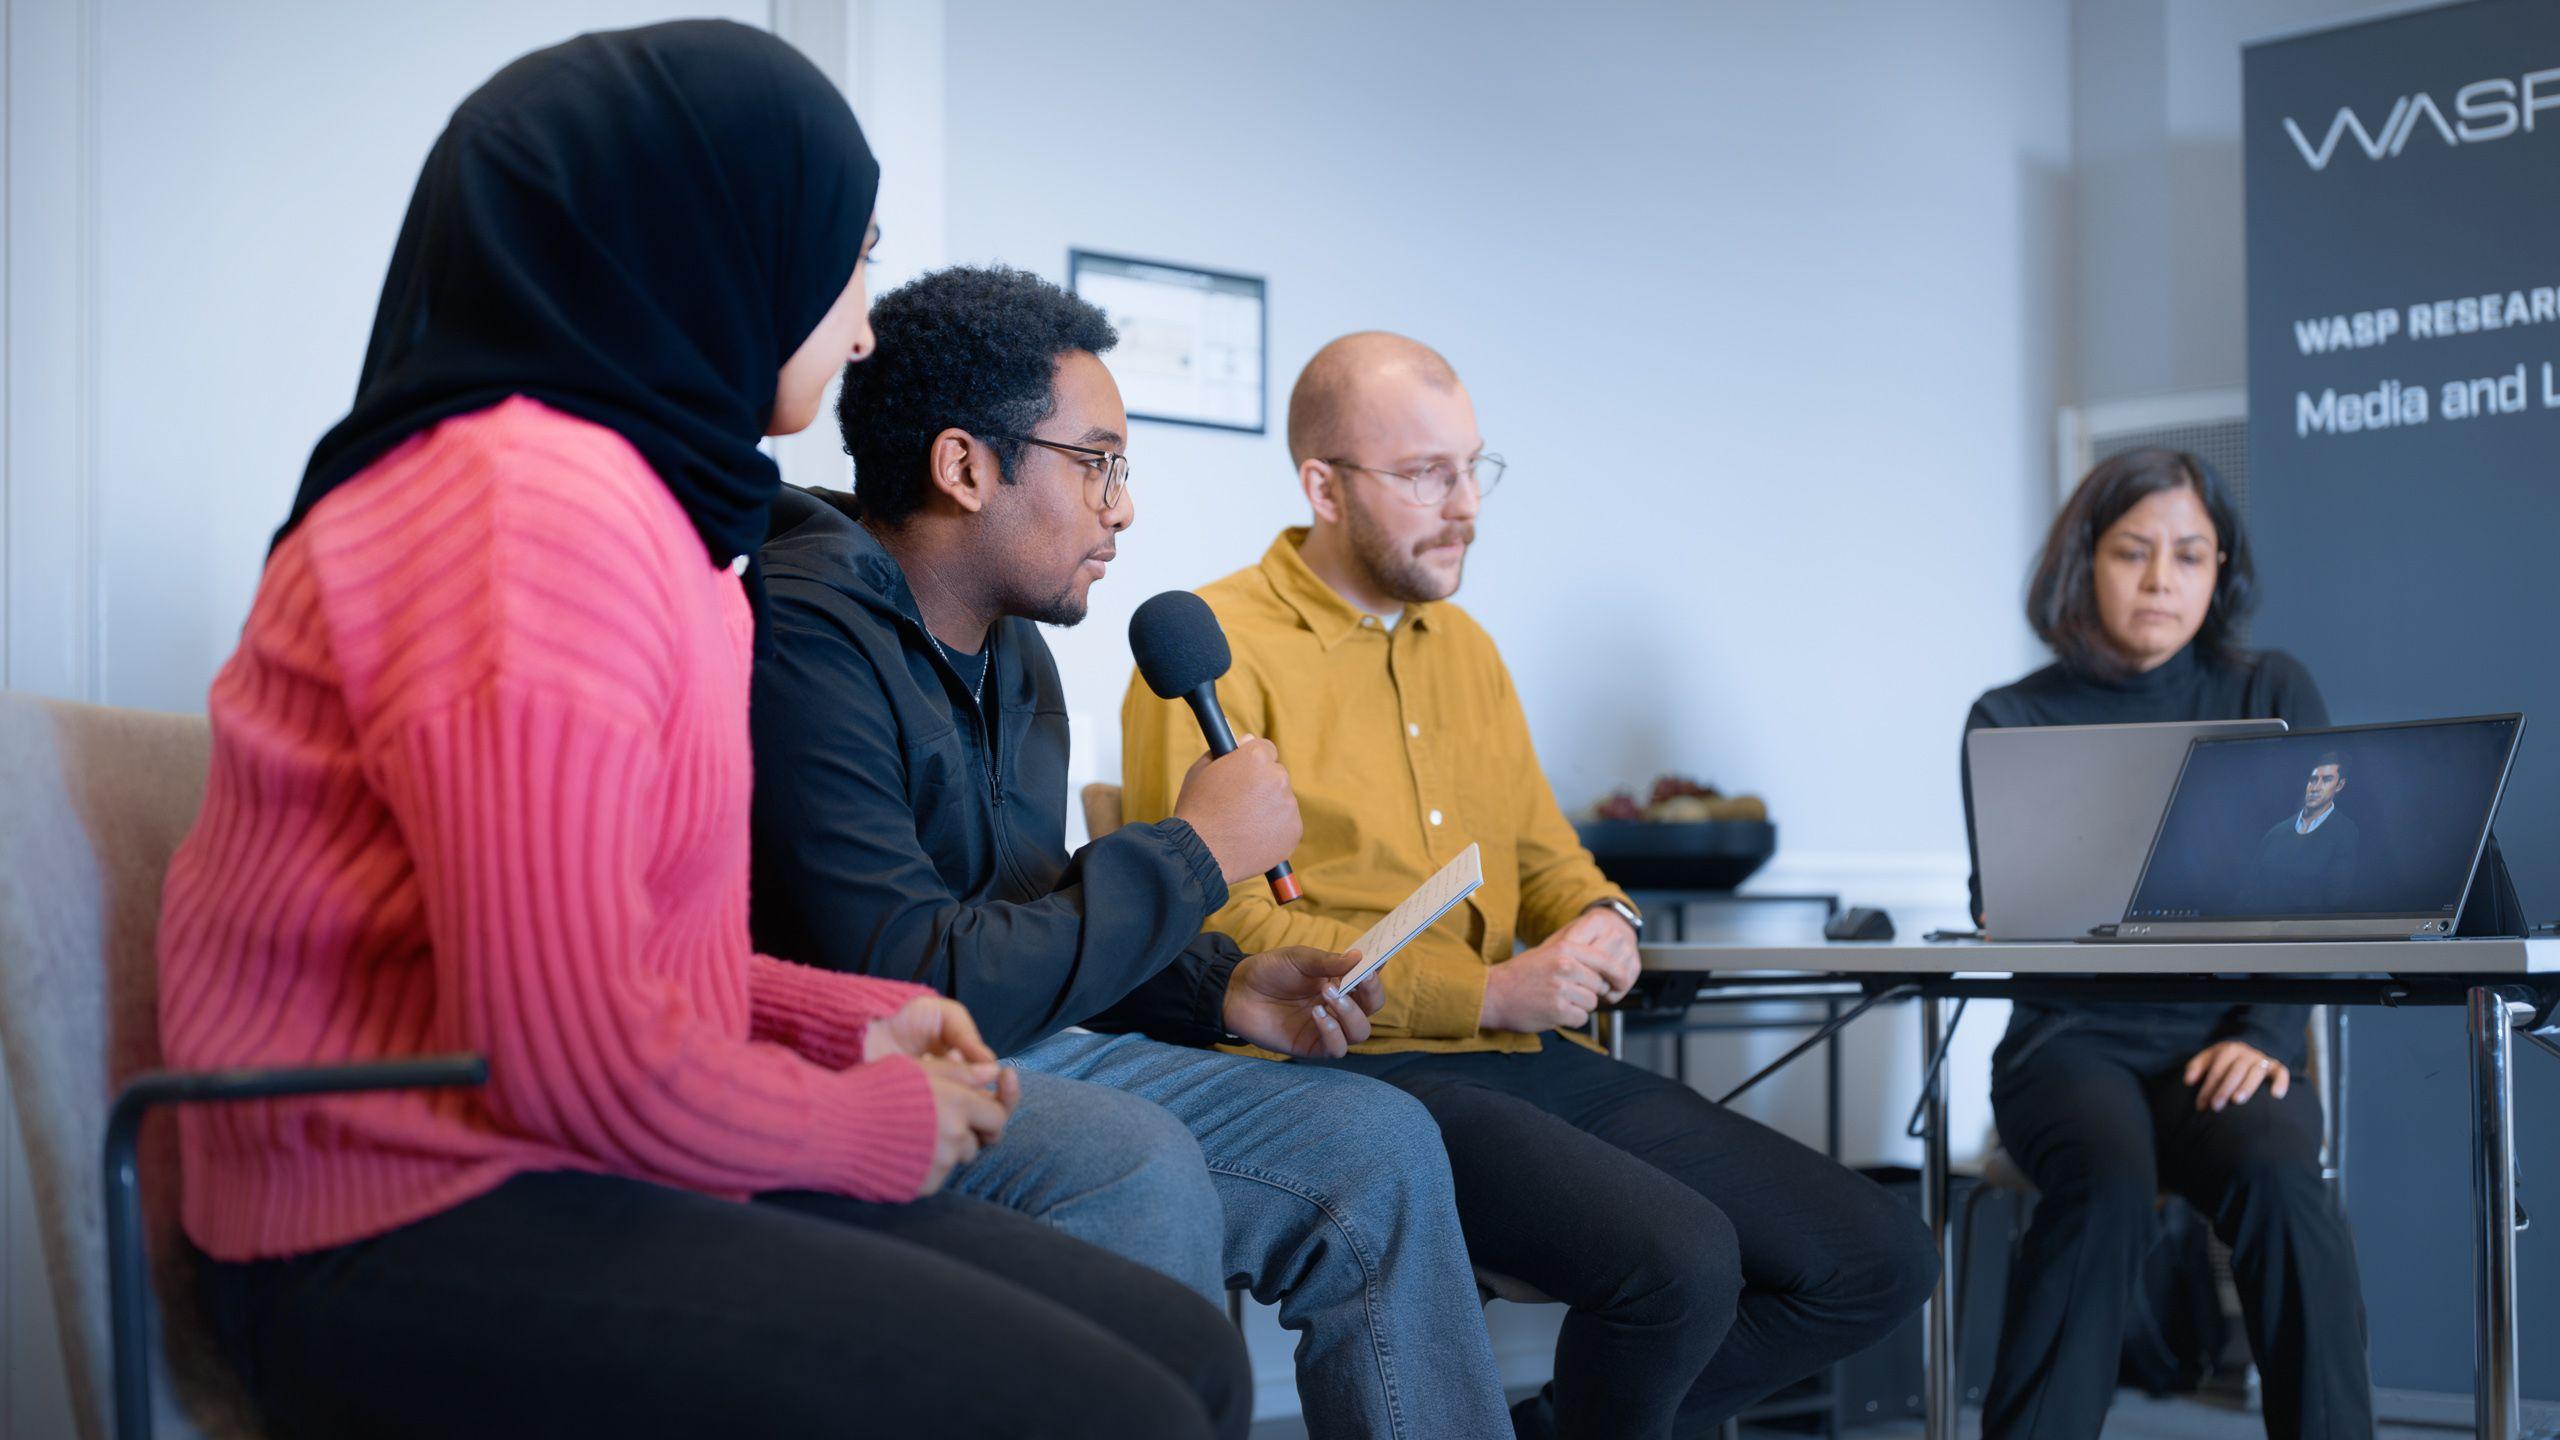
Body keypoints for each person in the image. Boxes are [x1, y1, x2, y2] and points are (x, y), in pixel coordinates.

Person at [157, 26, 1246, 1438]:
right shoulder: (524, 510)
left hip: (545, 1159)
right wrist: (879, 1124)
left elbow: (600, 961)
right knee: (1127, 1407)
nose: (860, 327)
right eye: (846, 260)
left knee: (1184, 1354)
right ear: (706, 241)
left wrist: (837, 1017)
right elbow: (578, 1061)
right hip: (384, 1216)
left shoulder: (663, 533)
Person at [1121, 331, 1940, 1439]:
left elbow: (1547, 857)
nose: (1463, 504)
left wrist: (1601, 915)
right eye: (1423, 474)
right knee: (1679, 1263)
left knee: (1876, 1258)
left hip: (1526, 1058)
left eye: (1472, 467)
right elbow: (1218, 932)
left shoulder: (1467, 650)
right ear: (1322, 485)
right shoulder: (1213, 656)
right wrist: (1485, 994)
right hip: (1358, 1074)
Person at [748, 266, 1513, 1439]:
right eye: (1096, 462)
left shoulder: (1016, 654)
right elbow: (909, 968)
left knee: (1376, 1140)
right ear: (965, 467)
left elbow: (1021, 907)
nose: (1124, 507)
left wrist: (1223, 984)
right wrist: (1197, 851)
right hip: (870, 1062)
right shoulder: (804, 638)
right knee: (1133, 1157)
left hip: (1017, 1038)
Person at [1960, 448, 2371, 1438]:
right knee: (2102, 1183)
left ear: (2218, 569)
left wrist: (2267, 1034)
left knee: (2278, 1172)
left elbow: (2318, 896)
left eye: (2190, 555)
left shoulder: (2269, 690)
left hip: (2229, 1037)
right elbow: (2003, 908)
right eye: (2133, 552)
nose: (2161, 580)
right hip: (2068, 1043)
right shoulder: (2011, 717)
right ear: (2082, 563)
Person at [2240, 752, 2360, 913]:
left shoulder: (2346, 831)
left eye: (2326, 780)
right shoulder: (2276, 832)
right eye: (2313, 779)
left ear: (2339, 785)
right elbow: (2249, 891)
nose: (2316, 787)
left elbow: (2338, 899)